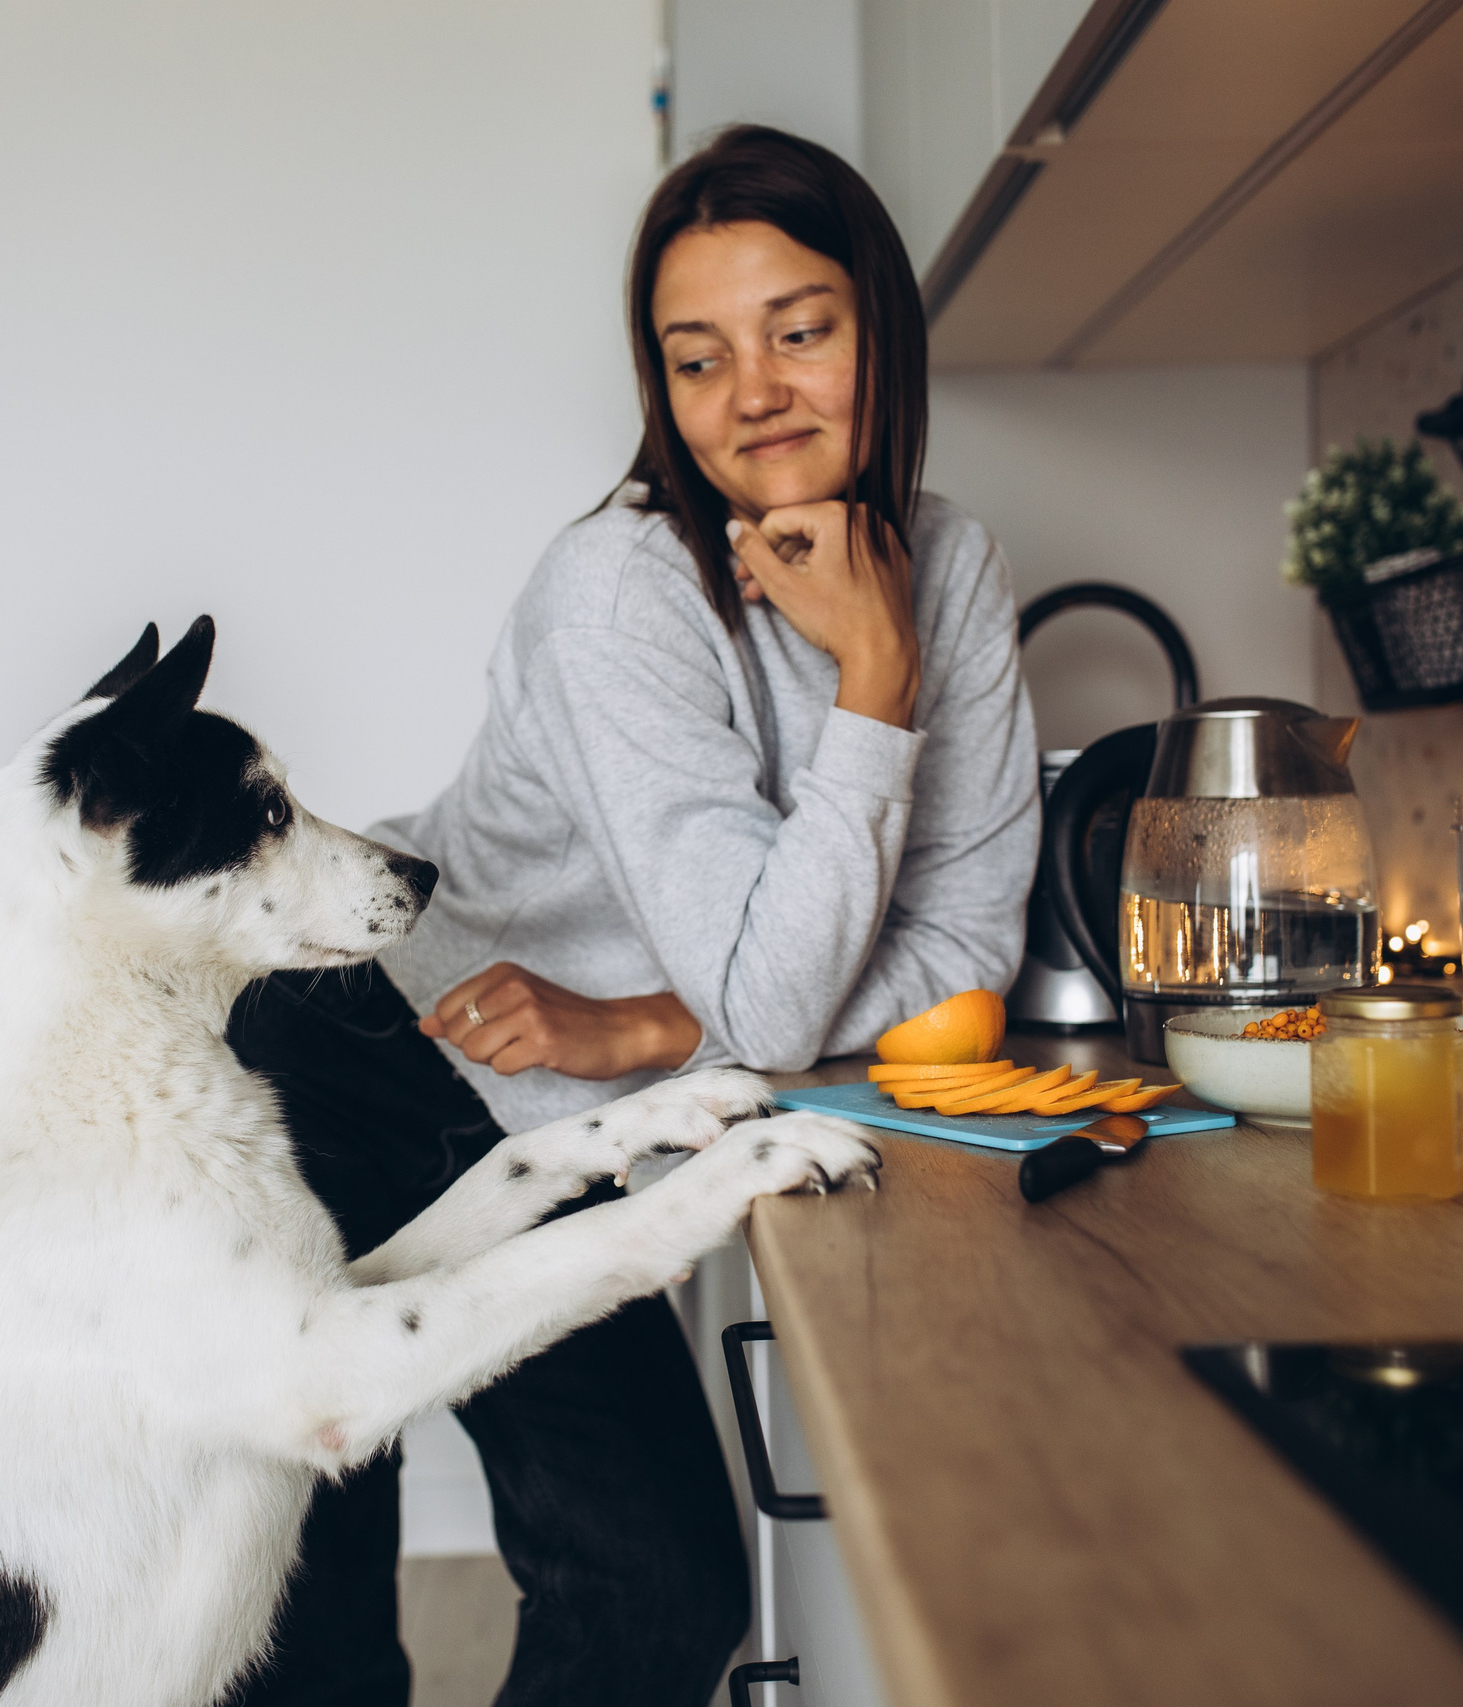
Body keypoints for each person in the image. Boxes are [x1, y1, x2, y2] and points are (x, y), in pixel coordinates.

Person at [225, 125, 1038, 1705]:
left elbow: (967, 953)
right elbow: (795, 1006)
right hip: (370, 1050)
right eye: (698, 355)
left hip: (567, 1085)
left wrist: (664, 1024)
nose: (754, 395)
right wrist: (877, 685)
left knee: (656, 1590)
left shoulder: (957, 567)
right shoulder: (623, 592)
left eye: (800, 331)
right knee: (306, 1632)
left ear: (882, 331)